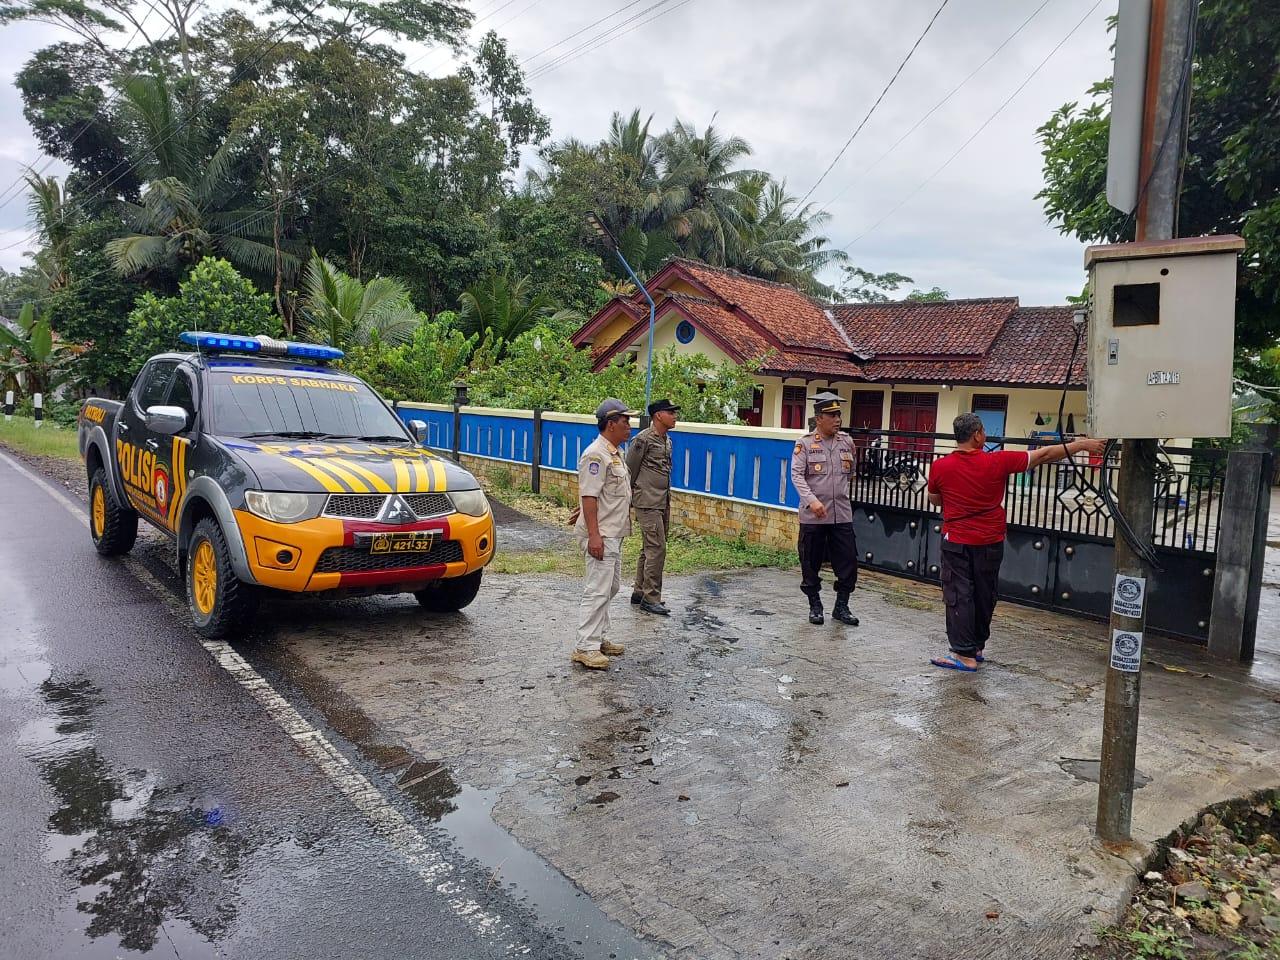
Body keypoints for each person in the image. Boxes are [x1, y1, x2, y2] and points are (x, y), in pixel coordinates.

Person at [926, 413, 1107, 672]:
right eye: (983, 431)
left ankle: (964, 655)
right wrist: (1080, 445)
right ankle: (976, 647)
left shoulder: (941, 466)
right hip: (990, 541)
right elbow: (1044, 455)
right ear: (977, 435)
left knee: (959, 594)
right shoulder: (998, 461)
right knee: (984, 593)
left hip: (957, 541)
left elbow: (934, 498)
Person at [572, 398, 638, 670]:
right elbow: (589, 495)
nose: (629, 427)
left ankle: (597, 638)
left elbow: (598, 494)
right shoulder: (596, 455)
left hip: (614, 530)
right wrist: (594, 535)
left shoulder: (614, 453)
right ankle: (585, 646)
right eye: (625, 422)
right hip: (602, 533)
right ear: (611, 424)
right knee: (597, 590)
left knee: (610, 587)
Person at [790, 393, 860, 626]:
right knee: (810, 562)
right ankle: (815, 605)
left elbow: (851, 473)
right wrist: (811, 500)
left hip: (841, 513)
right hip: (814, 515)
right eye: (831, 415)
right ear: (819, 419)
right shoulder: (805, 444)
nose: (837, 419)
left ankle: (841, 606)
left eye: (838, 414)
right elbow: (797, 475)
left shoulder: (847, 442)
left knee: (849, 561)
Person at [627, 398, 679, 616]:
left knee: (649, 548)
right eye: (671, 412)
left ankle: (640, 591)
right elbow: (630, 470)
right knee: (657, 549)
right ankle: (651, 597)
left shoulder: (667, 440)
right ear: (658, 415)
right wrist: (629, 499)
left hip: (661, 501)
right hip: (647, 501)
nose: (675, 416)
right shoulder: (643, 440)